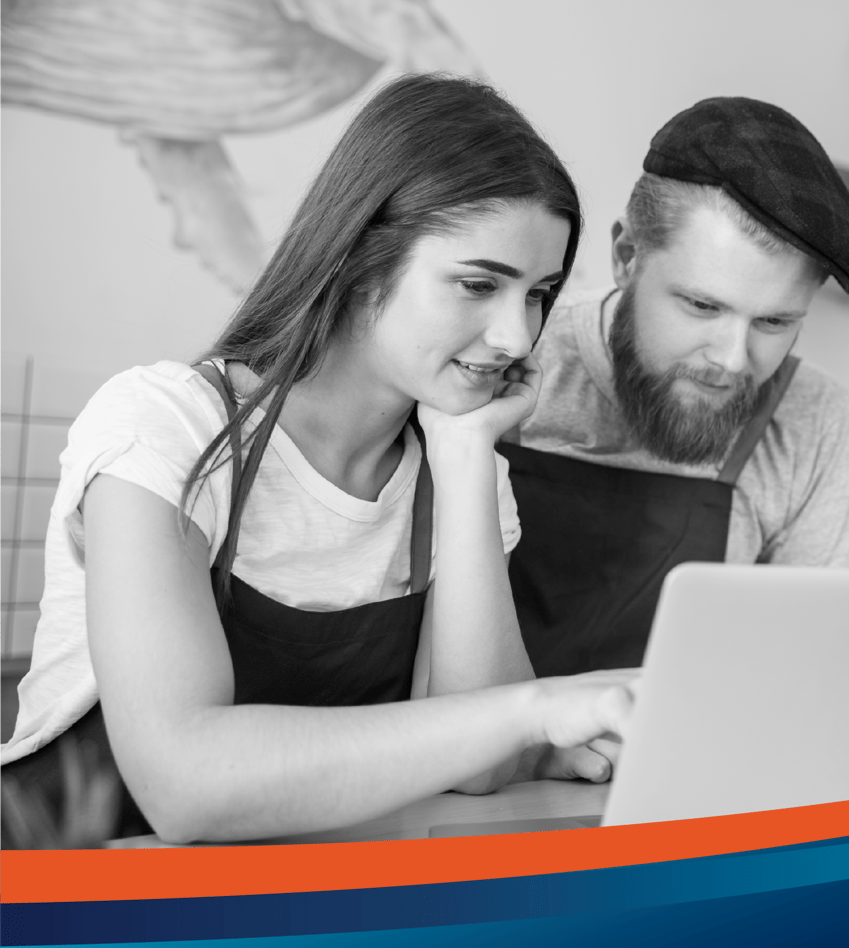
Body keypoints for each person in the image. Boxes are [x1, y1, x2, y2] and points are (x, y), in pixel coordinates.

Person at [0, 73, 633, 846]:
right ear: (362, 253)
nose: (515, 337)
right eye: (477, 284)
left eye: (538, 294)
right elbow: (183, 784)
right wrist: (535, 710)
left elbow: (479, 766)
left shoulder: (458, 471)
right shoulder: (162, 427)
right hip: (73, 876)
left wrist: (468, 454)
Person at [500, 96, 849, 677]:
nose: (732, 362)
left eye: (774, 322)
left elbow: (836, 664)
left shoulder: (813, 417)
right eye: (703, 306)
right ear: (626, 256)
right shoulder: (509, 362)